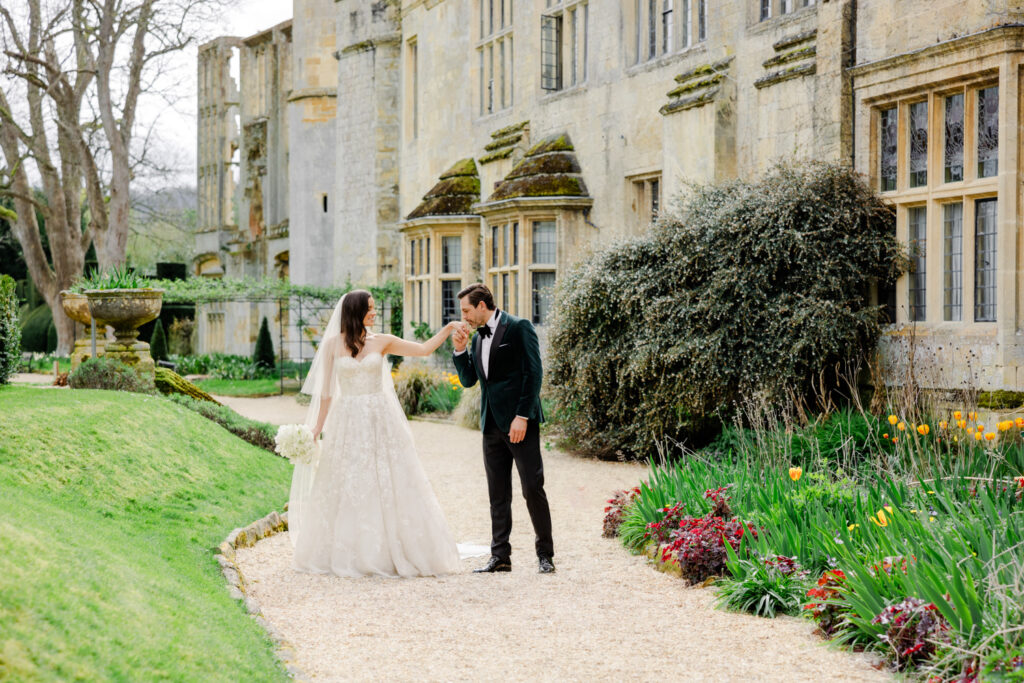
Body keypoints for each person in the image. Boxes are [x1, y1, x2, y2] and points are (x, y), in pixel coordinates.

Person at [289, 290, 464, 578]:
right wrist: (317, 428)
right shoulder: (333, 345)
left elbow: (422, 350)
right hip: (347, 421)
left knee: (388, 478)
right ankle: (350, 551)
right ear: (356, 311)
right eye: (369, 309)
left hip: (379, 420)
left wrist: (447, 329)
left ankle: (392, 550)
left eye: (374, 308)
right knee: (348, 481)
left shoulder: (381, 341)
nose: (374, 313)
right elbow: (326, 393)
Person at [452, 283, 555, 574]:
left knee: (532, 488)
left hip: (519, 424)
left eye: (467, 310)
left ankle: (545, 555)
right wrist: (460, 352)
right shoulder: (474, 339)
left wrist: (523, 415)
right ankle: (500, 557)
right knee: (497, 494)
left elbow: (534, 373)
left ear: (482, 305)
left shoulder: (519, 327)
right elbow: (470, 380)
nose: (464, 317)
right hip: (490, 426)